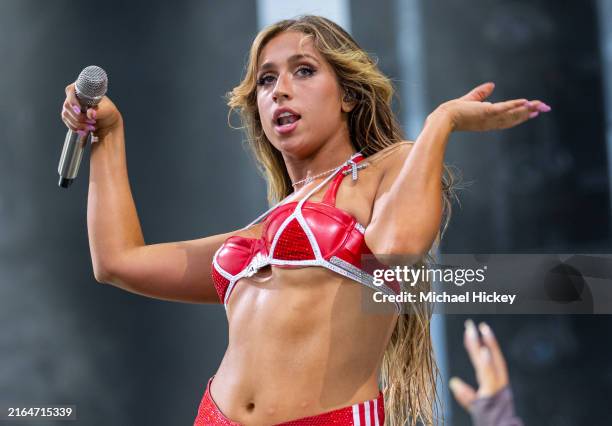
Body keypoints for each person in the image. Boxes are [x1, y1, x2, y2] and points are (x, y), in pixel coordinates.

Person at [60, 15, 550, 426]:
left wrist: (441, 122)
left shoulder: (389, 169)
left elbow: (394, 248)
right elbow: (117, 262)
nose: (280, 91)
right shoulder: (257, 233)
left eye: (304, 71)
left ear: (348, 96)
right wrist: (109, 133)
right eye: (267, 80)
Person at [449, 320, 524, 426]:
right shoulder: (481, 408)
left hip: (493, 401)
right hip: (493, 401)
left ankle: (477, 336)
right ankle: (477, 336)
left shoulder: (482, 408)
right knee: (486, 362)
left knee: (487, 362)